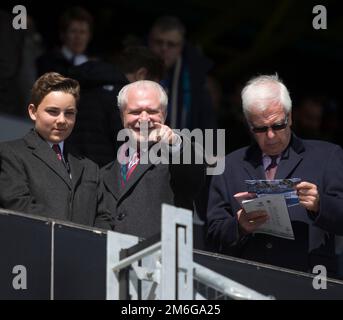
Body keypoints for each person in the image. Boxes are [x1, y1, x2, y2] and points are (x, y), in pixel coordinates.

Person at [207, 74, 343, 277]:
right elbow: (211, 235)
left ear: (290, 117)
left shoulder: (327, 156)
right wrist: (239, 226)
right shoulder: (229, 166)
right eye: (260, 129)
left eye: (278, 125)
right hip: (248, 279)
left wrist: (319, 204)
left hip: (309, 279)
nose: (270, 136)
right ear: (249, 125)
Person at [95, 80, 206, 239]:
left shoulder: (175, 157)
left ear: (165, 115)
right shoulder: (104, 172)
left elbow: (193, 177)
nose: (144, 119)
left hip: (161, 260)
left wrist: (175, 143)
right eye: (135, 112)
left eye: (152, 111)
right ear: (122, 116)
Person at [0, 72, 99, 226]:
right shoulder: (10, 154)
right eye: (53, 111)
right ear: (33, 111)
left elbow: (102, 217)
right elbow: (18, 206)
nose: (61, 120)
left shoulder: (90, 167)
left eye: (69, 113)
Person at [66, 46, 165, 167]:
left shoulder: (78, 89)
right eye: (153, 85)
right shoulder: (123, 102)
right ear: (141, 75)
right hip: (105, 179)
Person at [148, 16, 216, 130]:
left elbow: (208, 127)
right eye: (159, 42)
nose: (164, 48)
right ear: (149, 41)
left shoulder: (196, 81)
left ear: (181, 47)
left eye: (171, 44)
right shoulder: (132, 72)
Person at [37, 6, 93, 76]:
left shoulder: (95, 65)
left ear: (89, 36)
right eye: (73, 31)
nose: (78, 37)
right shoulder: (46, 63)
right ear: (62, 35)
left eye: (82, 32)